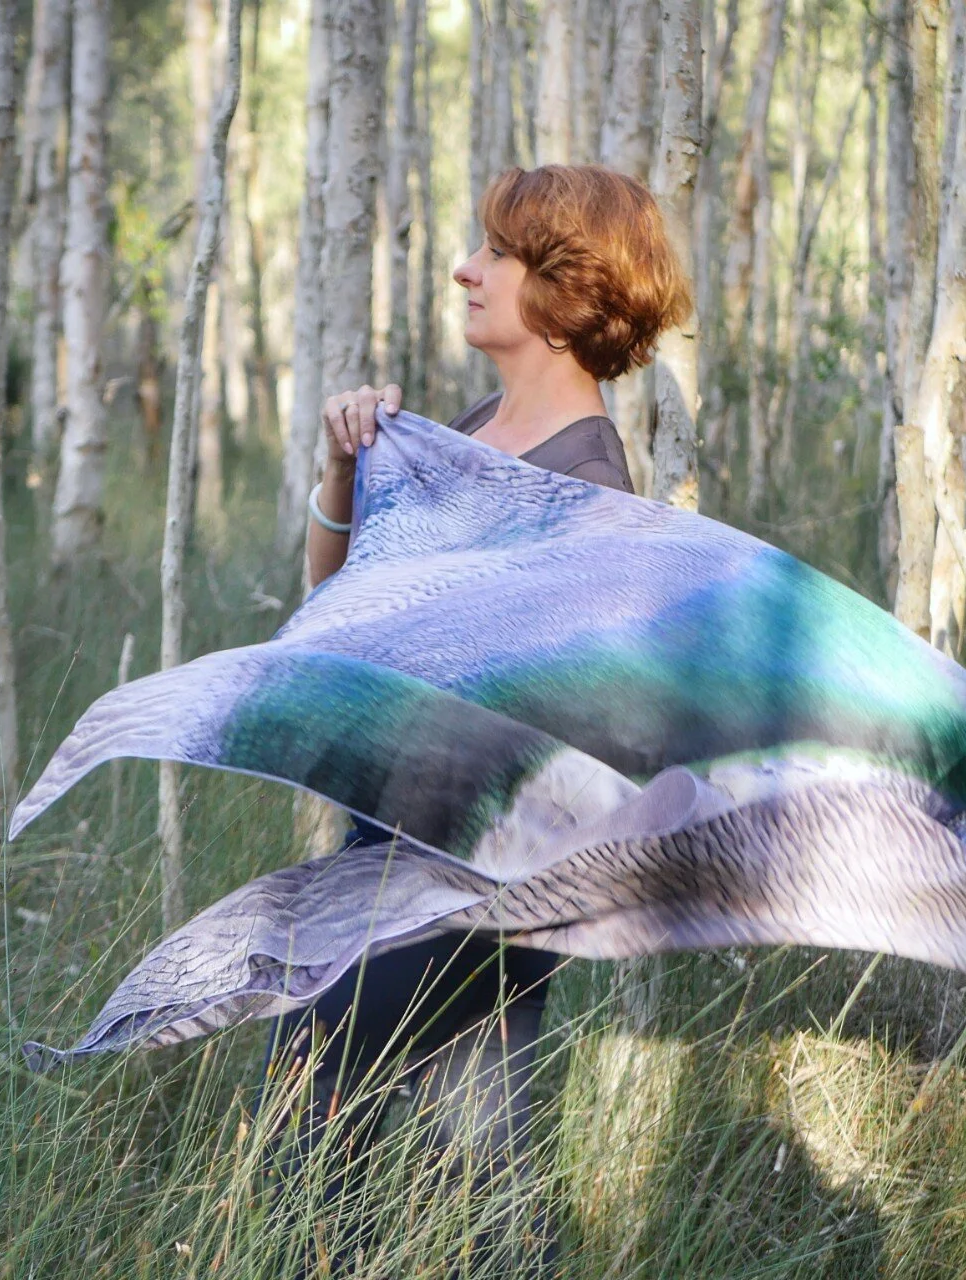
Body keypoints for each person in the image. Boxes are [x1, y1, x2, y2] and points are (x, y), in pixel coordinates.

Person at [266, 163, 692, 1268]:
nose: (466, 268)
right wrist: (346, 469)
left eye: (497, 254)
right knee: (426, 1181)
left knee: (371, 1163)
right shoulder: (467, 433)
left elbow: (577, 736)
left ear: (565, 289)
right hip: (380, 852)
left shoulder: (585, 489)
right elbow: (333, 600)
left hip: (467, 886)